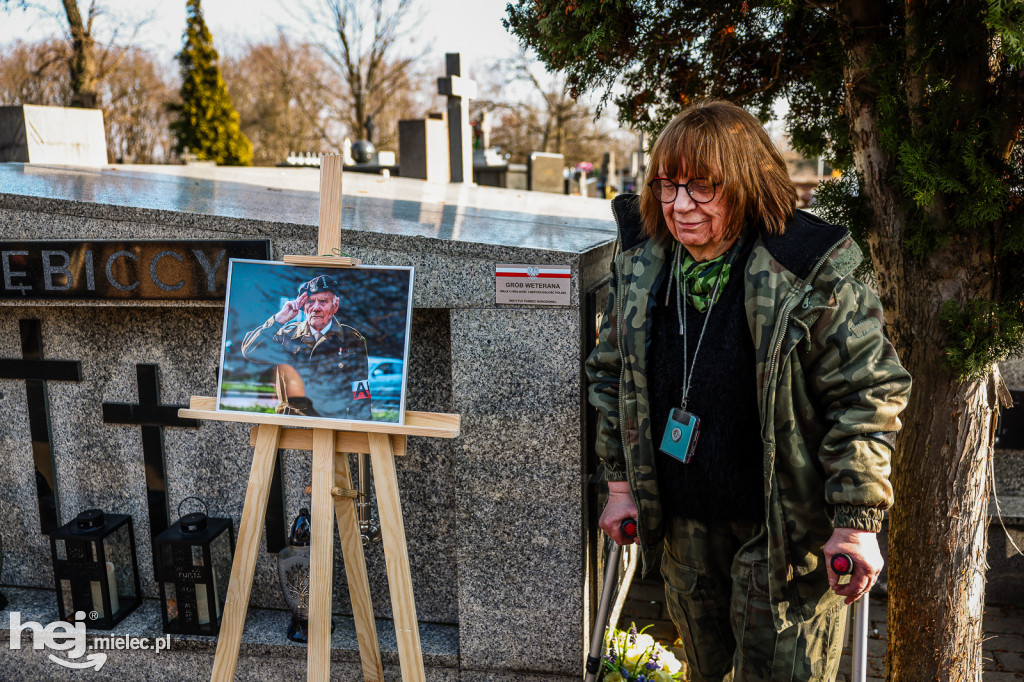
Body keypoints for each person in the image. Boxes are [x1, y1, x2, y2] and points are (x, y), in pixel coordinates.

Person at [585, 100, 912, 681]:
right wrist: (619, 485)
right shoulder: (643, 265)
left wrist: (857, 519)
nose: (679, 205)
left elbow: (865, 394)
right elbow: (613, 375)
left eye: (701, 188)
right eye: (667, 185)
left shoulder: (807, 269)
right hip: (686, 522)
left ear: (743, 185)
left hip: (783, 534)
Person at [241, 274, 372, 420]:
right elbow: (249, 351)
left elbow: (360, 395)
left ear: (335, 306)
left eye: (323, 301)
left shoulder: (352, 340)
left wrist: (359, 433)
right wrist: (278, 320)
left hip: (330, 424)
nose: (316, 308)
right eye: (310, 301)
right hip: (289, 424)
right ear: (303, 306)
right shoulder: (286, 335)